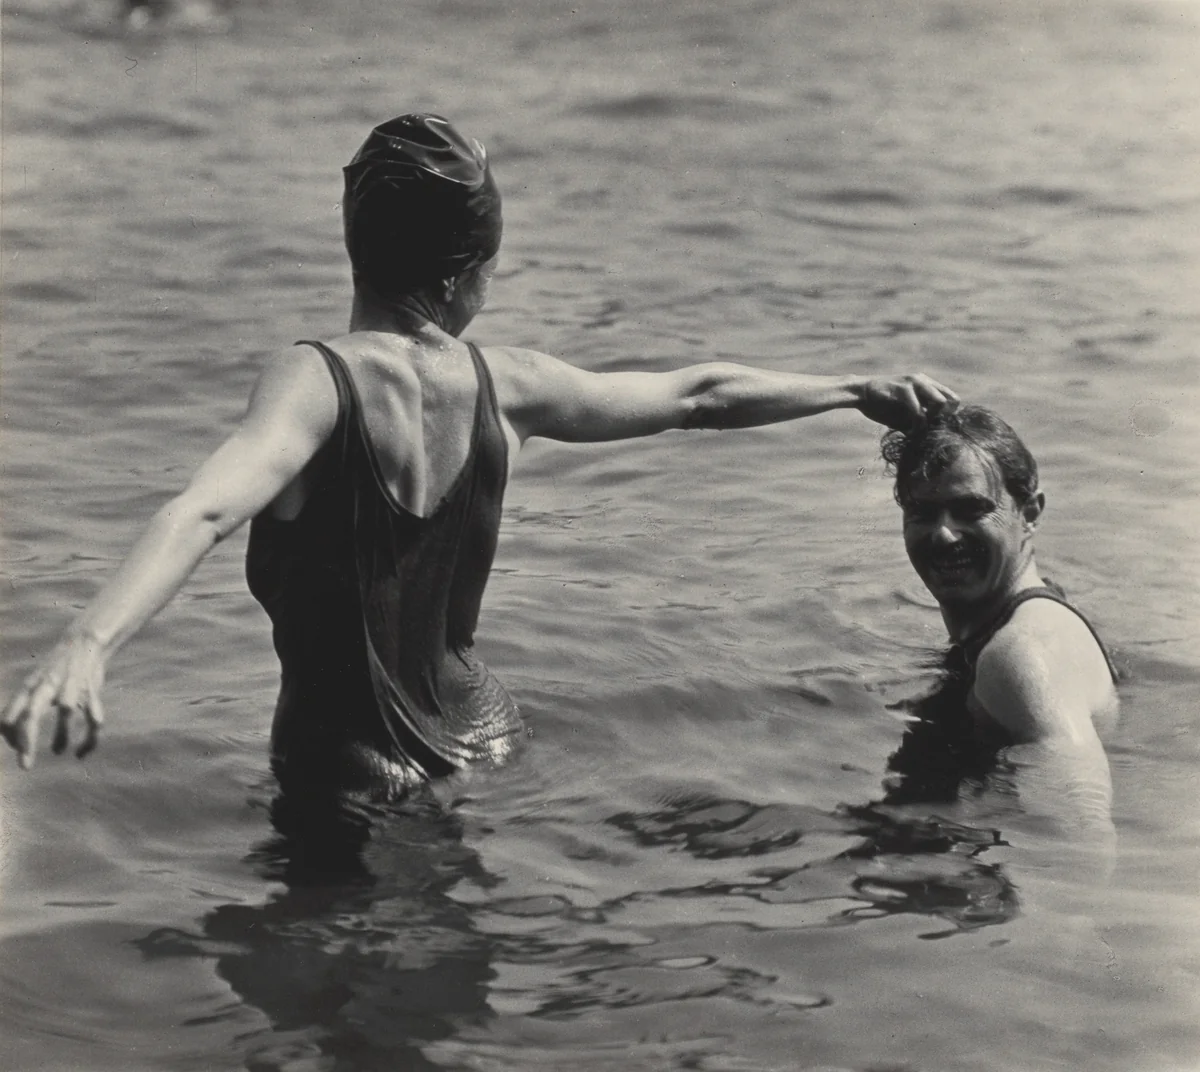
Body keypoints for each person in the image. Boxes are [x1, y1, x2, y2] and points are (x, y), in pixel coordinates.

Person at [1, 112, 957, 796]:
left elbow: (202, 511)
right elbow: (694, 397)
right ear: (462, 276)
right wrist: (849, 388)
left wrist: (87, 645)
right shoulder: (512, 384)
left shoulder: (314, 383)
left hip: (343, 777)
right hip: (488, 746)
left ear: (355, 247)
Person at [879, 405, 1118, 839]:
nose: (943, 534)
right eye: (923, 512)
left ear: (1030, 514)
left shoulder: (1021, 656)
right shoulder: (1020, 623)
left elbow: (1084, 835)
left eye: (970, 509)